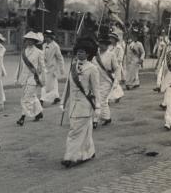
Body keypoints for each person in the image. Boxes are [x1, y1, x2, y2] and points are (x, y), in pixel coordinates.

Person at [60, 37, 101, 168]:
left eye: (82, 51)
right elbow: (67, 86)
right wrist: (63, 102)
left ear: (88, 54)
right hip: (73, 106)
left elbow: (96, 89)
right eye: (78, 51)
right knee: (86, 130)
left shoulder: (92, 69)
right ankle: (89, 152)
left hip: (85, 106)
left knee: (74, 132)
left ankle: (70, 157)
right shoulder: (72, 67)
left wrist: (98, 107)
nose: (79, 53)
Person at [15, 31, 45, 126]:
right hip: (24, 78)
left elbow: (42, 67)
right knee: (33, 96)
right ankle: (39, 113)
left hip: (33, 78)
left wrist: (41, 78)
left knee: (26, 98)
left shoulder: (39, 52)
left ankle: (22, 117)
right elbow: (20, 66)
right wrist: (17, 78)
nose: (29, 42)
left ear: (35, 41)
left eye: (31, 40)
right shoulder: (23, 52)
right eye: (28, 40)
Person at [93, 34, 120, 126]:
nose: (101, 45)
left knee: (100, 99)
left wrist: (116, 80)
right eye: (100, 43)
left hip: (106, 80)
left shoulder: (111, 55)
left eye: (104, 44)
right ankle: (107, 117)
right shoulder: (95, 54)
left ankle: (94, 120)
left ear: (107, 45)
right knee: (100, 100)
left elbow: (117, 68)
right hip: (95, 80)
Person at [41, 29, 65, 105]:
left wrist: (61, 69)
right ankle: (56, 97)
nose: (46, 38)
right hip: (45, 67)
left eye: (48, 37)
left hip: (52, 68)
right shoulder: (44, 45)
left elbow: (60, 57)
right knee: (54, 83)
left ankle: (42, 99)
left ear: (51, 37)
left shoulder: (55, 46)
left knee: (47, 84)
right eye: (45, 37)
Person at [107, 32, 125, 103]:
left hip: (116, 66)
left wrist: (114, 63)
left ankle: (116, 95)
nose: (110, 40)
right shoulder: (109, 47)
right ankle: (117, 95)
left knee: (115, 81)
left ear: (115, 40)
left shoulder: (119, 48)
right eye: (110, 38)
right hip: (109, 66)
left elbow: (120, 58)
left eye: (112, 38)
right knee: (111, 81)